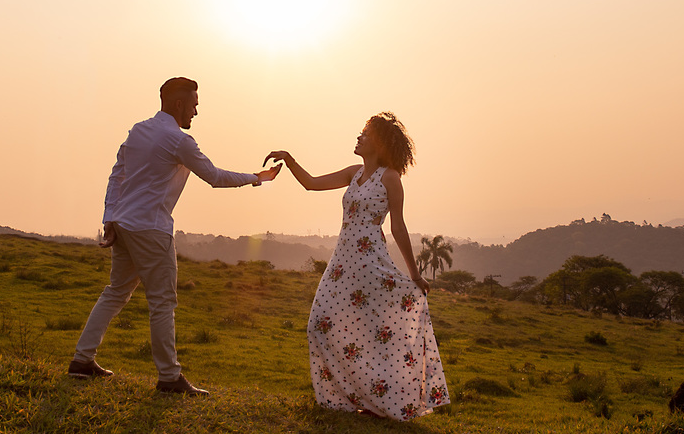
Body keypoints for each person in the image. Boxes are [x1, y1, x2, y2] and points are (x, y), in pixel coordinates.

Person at [70, 77, 282, 395]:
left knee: (115, 292)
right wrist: (257, 178)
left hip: (125, 225)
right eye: (194, 106)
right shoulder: (179, 141)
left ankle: (81, 362)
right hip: (152, 229)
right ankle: (169, 378)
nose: (195, 113)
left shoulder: (138, 131)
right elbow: (214, 177)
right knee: (162, 302)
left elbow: (117, 173)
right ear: (180, 104)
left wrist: (109, 216)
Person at [265, 112, 449, 420]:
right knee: (319, 325)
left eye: (364, 134)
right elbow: (311, 184)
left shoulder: (390, 177)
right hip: (341, 263)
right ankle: (349, 397)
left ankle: (380, 402)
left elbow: (398, 227)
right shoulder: (353, 173)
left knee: (376, 333)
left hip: (370, 264)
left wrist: (414, 275)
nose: (358, 137)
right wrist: (290, 159)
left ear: (378, 142)